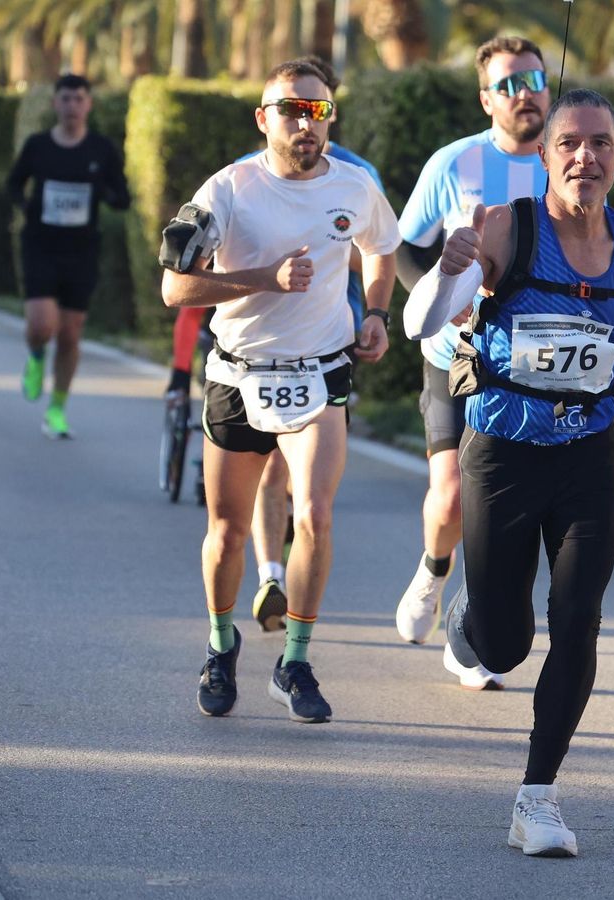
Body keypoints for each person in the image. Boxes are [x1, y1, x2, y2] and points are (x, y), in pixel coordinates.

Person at [404, 89, 614, 857]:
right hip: (502, 451)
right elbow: (423, 322)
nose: (586, 156)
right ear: (545, 156)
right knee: (503, 647)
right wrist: (448, 272)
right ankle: (468, 615)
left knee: (578, 619)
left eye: (601, 143)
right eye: (570, 142)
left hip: (585, 456)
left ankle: (536, 797)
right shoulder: (506, 229)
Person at [161, 59, 399, 724]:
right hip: (239, 375)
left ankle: (294, 660)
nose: (305, 122)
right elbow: (174, 288)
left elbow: (382, 249)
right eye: (291, 109)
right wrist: (263, 277)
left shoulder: (355, 187)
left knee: (316, 519)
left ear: (330, 119)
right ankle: (220, 645)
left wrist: (375, 314)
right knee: (228, 532)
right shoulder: (228, 191)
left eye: (317, 110)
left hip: (320, 373)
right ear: (263, 119)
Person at [392, 36, 552, 691]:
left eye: (533, 78)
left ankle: (469, 634)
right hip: (456, 353)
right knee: (453, 495)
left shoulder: (566, 164)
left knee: (503, 508)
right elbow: (404, 251)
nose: (524, 93)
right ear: (487, 99)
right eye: (508, 84)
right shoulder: (455, 164)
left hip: (534, 360)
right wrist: (440, 295)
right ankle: (433, 571)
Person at [7, 73, 131, 439]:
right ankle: (34, 357)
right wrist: (26, 206)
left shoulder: (101, 150)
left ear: (88, 104)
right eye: (65, 99)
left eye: (79, 99)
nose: (72, 106)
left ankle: (57, 409)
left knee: (70, 336)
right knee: (42, 325)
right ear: (54, 104)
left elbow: (121, 196)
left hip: (82, 251)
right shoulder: (38, 146)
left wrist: (107, 195)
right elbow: (13, 183)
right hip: (40, 247)